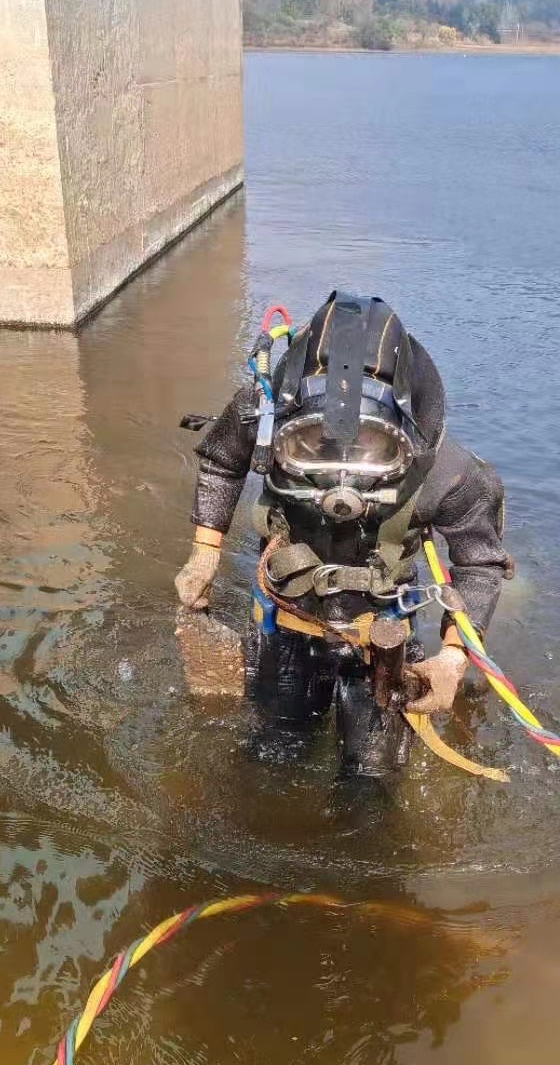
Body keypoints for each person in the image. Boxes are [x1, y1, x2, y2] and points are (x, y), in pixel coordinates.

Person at [175, 292, 512, 780]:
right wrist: (204, 552)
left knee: (371, 775)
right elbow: (222, 461)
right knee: (276, 748)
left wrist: (454, 657)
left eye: (370, 449)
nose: (342, 483)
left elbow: (479, 562)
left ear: (407, 438)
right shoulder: (263, 412)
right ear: (285, 425)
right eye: (316, 445)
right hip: (288, 618)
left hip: (382, 631)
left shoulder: (448, 472)